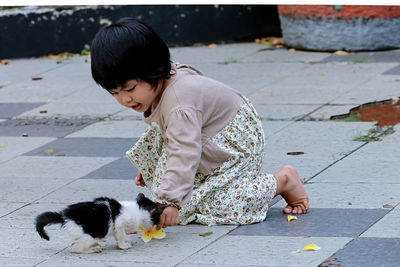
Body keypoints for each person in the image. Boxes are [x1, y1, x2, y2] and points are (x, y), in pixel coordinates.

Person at [90, 18, 309, 229]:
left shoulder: (179, 103)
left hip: (234, 144)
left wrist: (171, 202)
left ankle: (283, 181)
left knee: (219, 206)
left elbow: (184, 150)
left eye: (129, 89)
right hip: (201, 134)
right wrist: (157, 165)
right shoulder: (163, 83)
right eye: (114, 93)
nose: (124, 99)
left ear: (156, 68)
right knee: (175, 196)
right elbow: (177, 137)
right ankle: (177, 192)